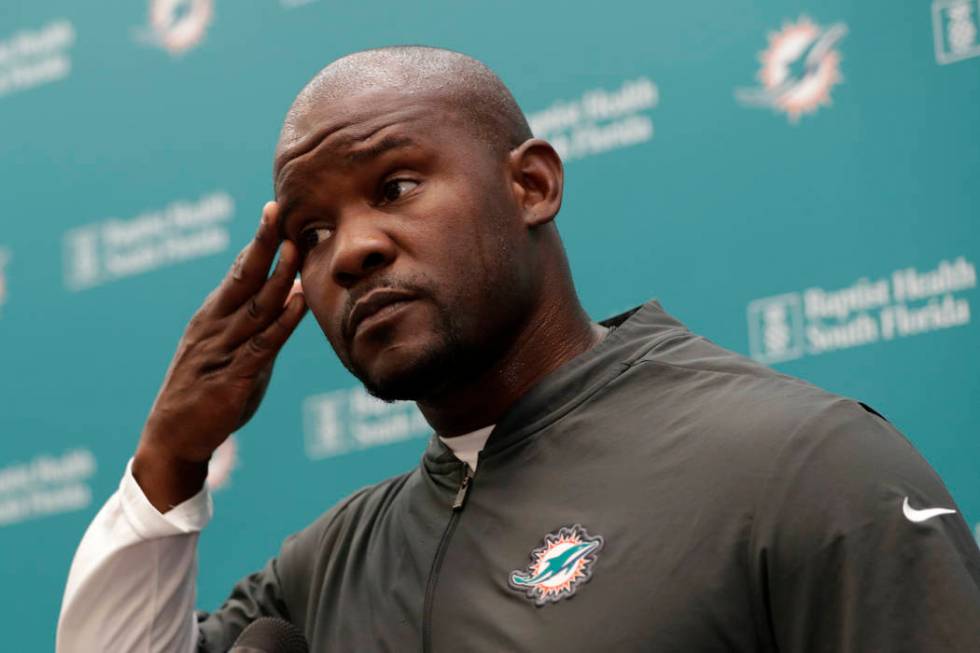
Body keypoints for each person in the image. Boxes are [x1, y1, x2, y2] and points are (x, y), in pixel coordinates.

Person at [57, 46, 980, 652]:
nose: (354, 249)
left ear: (532, 184)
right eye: (310, 231)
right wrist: (169, 458)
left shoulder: (800, 463)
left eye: (398, 183)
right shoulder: (329, 566)